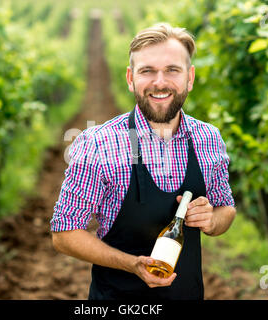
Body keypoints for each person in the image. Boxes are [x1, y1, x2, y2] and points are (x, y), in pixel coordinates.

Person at [50, 22, 236, 300]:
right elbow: (64, 233)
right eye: (147, 71)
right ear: (130, 78)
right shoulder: (98, 144)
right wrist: (131, 264)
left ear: (190, 77)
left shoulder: (209, 139)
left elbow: (226, 210)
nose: (159, 83)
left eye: (172, 70)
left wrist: (211, 221)